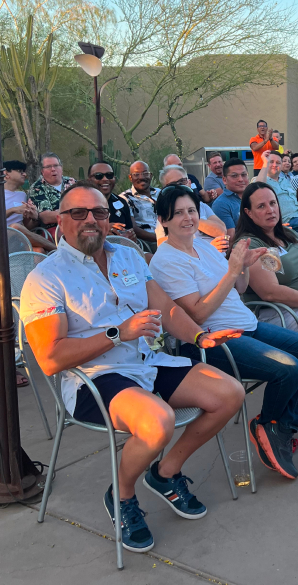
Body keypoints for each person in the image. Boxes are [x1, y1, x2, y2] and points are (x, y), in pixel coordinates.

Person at [20, 183, 245, 553]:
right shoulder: (45, 278)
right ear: (61, 220)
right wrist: (118, 333)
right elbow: (50, 358)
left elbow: (166, 308)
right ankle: (122, 496)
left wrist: (199, 336)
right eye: (79, 212)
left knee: (228, 393)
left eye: (100, 212)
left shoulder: (128, 257)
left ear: (110, 219)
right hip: (93, 378)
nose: (91, 220)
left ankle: (165, 474)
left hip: (146, 362)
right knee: (158, 422)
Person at [149, 185, 298, 479]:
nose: (188, 218)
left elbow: (238, 289)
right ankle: (267, 424)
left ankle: (281, 428)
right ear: (163, 220)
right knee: (287, 368)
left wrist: (244, 267)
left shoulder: (203, 245)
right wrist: (231, 271)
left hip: (247, 325)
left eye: (192, 210)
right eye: (178, 214)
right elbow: (197, 313)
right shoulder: (166, 261)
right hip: (211, 340)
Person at [233, 182, 298, 339]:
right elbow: (271, 292)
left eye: (272, 203)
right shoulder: (252, 244)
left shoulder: (288, 233)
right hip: (283, 311)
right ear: (248, 212)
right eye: (261, 206)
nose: (270, 210)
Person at [0, 160, 55, 252]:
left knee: (38, 250)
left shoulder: (22, 195)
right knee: (15, 227)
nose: (24, 174)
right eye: (20, 171)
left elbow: (27, 228)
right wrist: (12, 210)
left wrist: (34, 218)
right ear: (5, 173)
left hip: (17, 241)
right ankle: (56, 249)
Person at [155, 165, 226, 246]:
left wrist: (192, 219)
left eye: (182, 181)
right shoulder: (166, 211)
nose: (179, 187)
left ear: (189, 182)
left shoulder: (202, 206)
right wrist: (206, 248)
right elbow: (162, 244)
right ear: (165, 188)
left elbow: (222, 231)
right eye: (173, 184)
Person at [257, 150, 298, 232]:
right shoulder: (262, 181)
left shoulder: (285, 181)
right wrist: (265, 163)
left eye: (278, 163)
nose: (274, 165)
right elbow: (257, 189)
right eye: (271, 162)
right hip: (287, 222)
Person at [28, 153, 76, 236]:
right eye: (48, 167)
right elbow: (46, 217)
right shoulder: (37, 188)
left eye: (56, 165)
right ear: (42, 171)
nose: (53, 169)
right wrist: (77, 214)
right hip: (53, 231)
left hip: (77, 224)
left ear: (61, 168)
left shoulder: (72, 182)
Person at [87, 163, 137, 242]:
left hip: (121, 249)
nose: (105, 179)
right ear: (89, 180)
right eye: (99, 176)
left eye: (109, 175)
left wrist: (131, 236)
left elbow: (129, 229)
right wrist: (103, 229)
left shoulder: (122, 202)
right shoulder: (82, 203)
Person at [120, 161, 160, 251]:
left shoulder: (160, 193)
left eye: (145, 173)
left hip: (169, 238)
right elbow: (134, 229)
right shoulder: (125, 198)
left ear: (150, 175)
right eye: (136, 174)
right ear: (130, 177)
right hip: (148, 244)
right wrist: (160, 239)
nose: (141, 177)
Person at [211, 158, 249, 239]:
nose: (240, 179)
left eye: (243, 174)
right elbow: (230, 239)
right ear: (224, 180)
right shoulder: (221, 204)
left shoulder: (253, 197)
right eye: (234, 176)